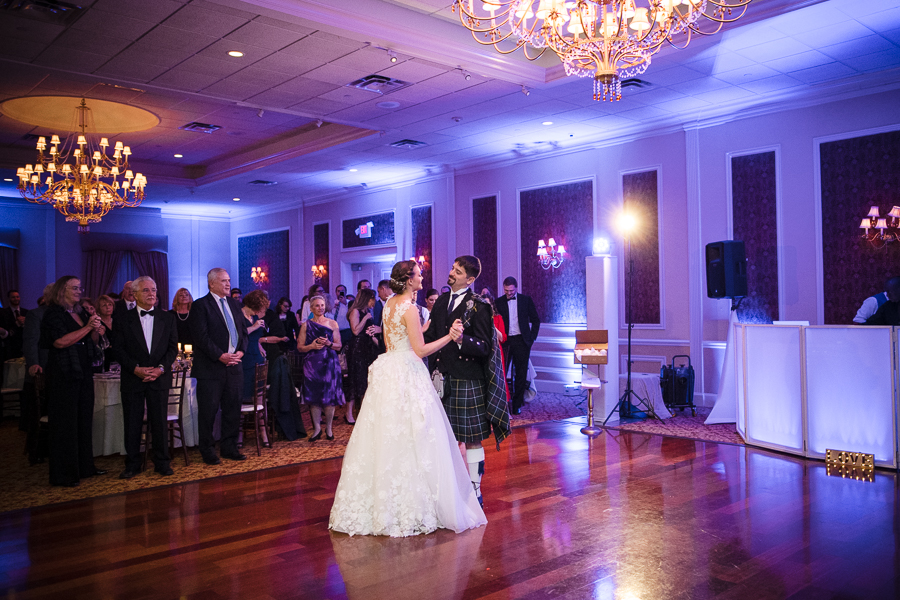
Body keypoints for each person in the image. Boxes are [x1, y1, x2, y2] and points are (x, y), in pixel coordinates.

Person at [329, 260, 487, 537]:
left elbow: (400, 335)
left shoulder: (390, 303)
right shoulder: (410, 307)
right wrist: (450, 337)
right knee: (417, 434)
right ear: (409, 280)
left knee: (386, 434)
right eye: (418, 274)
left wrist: (425, 327)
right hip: (407, 371)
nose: (422, 275)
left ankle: (381, 503)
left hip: (388, 369)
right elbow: (421, 350)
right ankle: (413, 503)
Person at [424, 256, 510, 507]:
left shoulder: (480, 306)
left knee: (471, 438)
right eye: (452, 268)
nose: (451, 273)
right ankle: (450, 486)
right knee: (444, 436)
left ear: (470, 279)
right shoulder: (440, 302)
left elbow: (485, 346)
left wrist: (462, 340)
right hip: (440, 378)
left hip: (467, 378)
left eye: (458, 271)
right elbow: (430, 335)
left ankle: (475, 489)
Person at [41, 276, 107, 486]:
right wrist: (88, 328)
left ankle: (85, 466)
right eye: (75, 288)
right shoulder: (53, 314)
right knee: (65, 424)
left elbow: (90, 342)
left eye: (81, 287)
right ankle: (65, 474)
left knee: (84, 421)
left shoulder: (80, 312)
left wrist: (96, 331)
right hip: (64, 374)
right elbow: (60, 342)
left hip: (84, 372)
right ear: (62, 290)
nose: (80, 291)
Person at [111, 276, 179, 479]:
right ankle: (132, 464)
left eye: (154, 290)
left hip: (159, 377)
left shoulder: (168, 318)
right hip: (133, 378)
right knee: (132, 422)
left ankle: (162, 462)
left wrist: (160, 369)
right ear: (135, 294)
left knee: (159, 422)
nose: (152, 294)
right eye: (147, 290)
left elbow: (172, 348)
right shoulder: (122, 318)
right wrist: (135, 369)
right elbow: (118, 349)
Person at [189, 268, 249, 465]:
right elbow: (201, 337)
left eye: (229, 280)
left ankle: (229, 447)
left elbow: (243, 332)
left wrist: (240, 351)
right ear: (211, 283)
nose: (228, 284)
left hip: (234, 366)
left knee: (232, 409)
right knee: (208, 411)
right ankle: (207, 450)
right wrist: (220, 356)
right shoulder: (200, 306)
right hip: (211, 368)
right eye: (223, 281)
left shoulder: (233, 303)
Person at [297, 295, 344, 441]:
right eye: (317, 305)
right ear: (311, 308)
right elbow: (299, 347)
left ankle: (329, 428)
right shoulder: (306, 325)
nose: (320, 308)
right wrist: (311, 346)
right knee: (314, 398)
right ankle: (317, 428)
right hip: (312, 365)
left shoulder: (332, 323)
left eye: (322, 305)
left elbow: (339, 345)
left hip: (329, 363)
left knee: (329, 397)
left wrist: (329, 344)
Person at [495, 276, 541, 415]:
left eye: (511, 290)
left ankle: (516, 405)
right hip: (506, 341)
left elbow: (536, 320)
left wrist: (531, 338)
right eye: (506, 290)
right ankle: (502, 403)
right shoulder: (499, 302)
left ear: (516, 288)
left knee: (521, 374)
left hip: (522, 341)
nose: (509, 293)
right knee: (501, 372)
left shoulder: (525, 300)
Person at [23, 284, 52, 464]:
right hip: (42, 368)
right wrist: (33, 363)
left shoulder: (67, 313)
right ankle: (35, 452)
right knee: (38, 413)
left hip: (58, 370)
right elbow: (30, 341)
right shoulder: (36, 314)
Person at [345, 288, 380, 425]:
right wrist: (365, 318)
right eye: (373, 299)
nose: (374, 302)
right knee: (354, 381)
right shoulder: (356, 311)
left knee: (365, 381)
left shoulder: (368, 311)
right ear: (368, 298)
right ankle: (349, 413)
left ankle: (364, 412)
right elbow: (355, 330)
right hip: (356, 350)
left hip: (367, 349)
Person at [481, 287, 510, 403]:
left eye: (489, 305)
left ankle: (502, 406)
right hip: (482, 351)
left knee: (498, 378)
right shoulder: (478, 320)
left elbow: (502, 338)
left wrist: (491, 323)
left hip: (496, 351)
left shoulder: (498, 318)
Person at [0, 289, 28, 359]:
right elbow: (6, 332)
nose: (16, 299)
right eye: (13, 297)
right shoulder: (3, 313)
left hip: (24, 346)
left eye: (17, 297)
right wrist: (16, 324)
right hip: (10, 348)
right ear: (9, 299)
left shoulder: (27, 312)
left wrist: (25, 323)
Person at [96, 294, 116, 371]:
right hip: (103, 357)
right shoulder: (97, 323)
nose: (108, 307)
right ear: (98, 308)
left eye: (110, 304)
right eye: (104, 305)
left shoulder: (117, 321)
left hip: (117, 356)